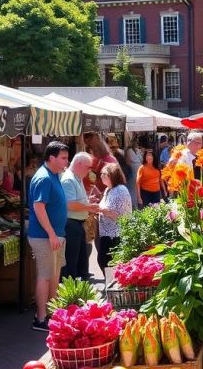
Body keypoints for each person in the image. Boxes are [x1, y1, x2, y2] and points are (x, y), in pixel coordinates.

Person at [27, 142, 69, 331]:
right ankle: (41, 318)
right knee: (45, 276)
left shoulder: (53, 175)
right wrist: (52, 234)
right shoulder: (44, 178)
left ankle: (52, 313)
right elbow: (38, 207)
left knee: (53, 276)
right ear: (51, 158)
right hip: (44, 237)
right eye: (63, 158)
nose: (66, 161)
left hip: (54, 236)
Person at [61, 152, 99, 282]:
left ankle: (78, 291)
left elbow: (76, 200)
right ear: (79, 164)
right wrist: (88, 207)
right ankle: (70, 294)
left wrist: (87, 201)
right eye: (88, 167)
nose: (89, 171)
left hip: (77, 224)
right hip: (70, 224)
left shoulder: (77, 178)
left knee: (81, 262)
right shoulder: (69, 179)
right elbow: (69, 204)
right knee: (71, 263)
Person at [97, 163, 133, 277]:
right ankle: (111, 285)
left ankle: (113, 285)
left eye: (104, 173)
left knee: (107, 261)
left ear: (111, 175)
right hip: (107, 233)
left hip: (116, 233)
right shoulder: (108, 189)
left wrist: (99, 209)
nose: (101, 176)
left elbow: (116, 213)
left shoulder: (120, 190)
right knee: (105, 261)